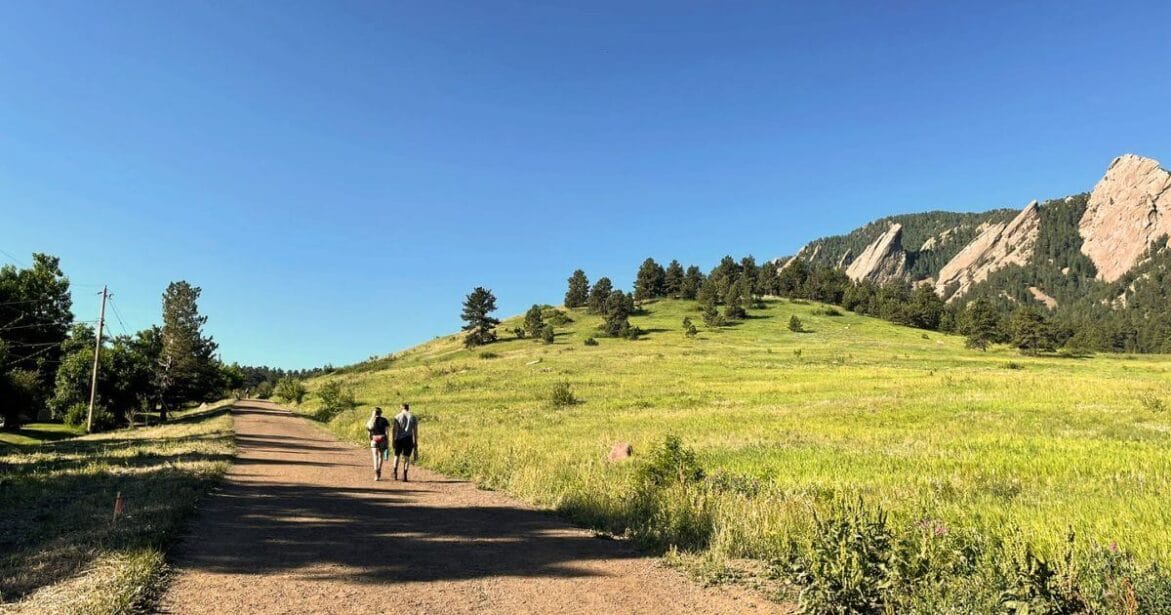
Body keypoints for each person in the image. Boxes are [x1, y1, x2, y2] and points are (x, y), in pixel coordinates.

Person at [392, 403, 419, 481]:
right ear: (408, 408)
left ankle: (395, 472)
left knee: (396, 455)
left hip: (399, 439)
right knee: (407, 457)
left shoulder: (397, 416)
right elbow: (415, 431)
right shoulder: (413, 417)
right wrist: (415, 441)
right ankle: (405, 475)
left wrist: (393, 440)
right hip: (408, 438)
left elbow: (394, 429)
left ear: (401, 408)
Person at [365, 407, 391, 481]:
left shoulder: (370, 421)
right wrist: (387, 441)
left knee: (375, 456)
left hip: (374, 439)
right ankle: (379, 470)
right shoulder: (384, 420)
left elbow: (368, 433)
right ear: (381, 413)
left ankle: (376, 472)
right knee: (381, 456)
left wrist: (370, 440)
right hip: (382, 438)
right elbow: (387, 432)